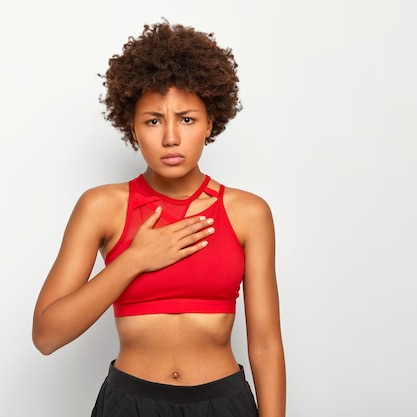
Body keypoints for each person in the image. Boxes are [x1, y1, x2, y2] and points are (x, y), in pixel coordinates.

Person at [32, 21, 285, 417]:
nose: (170, 137)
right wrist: (134, 260)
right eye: (153, 120)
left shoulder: (249, 213)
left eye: (187, 119)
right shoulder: (101, 206)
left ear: (210, 124)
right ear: (132, 128)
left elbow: (266, 343)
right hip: (128, 404)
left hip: (223, 403)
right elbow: (47, 335)